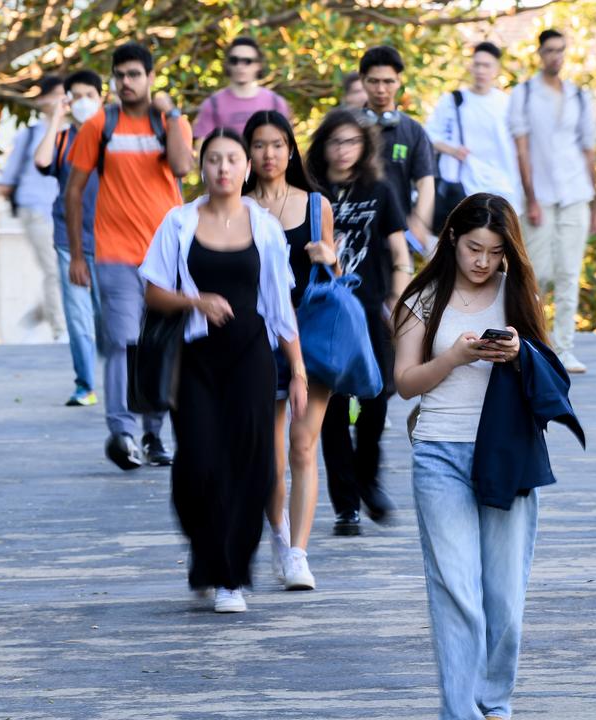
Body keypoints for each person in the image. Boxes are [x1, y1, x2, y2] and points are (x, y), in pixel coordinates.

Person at [392, 193, 554, 720]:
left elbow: (548, 367)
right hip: (440, 452)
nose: (482, 261)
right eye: (473, 248)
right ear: (453, 241)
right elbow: (405, 383)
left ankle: (494, 703)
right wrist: (455, 357)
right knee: (456, 589)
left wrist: (517, 353)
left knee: (504, 594)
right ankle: (460, 712)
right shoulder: (423, 297)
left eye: (494, 251)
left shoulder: (517, 294)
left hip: (506, 453)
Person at [140, 128, 305, 613]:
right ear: (201, 166)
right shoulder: (178, 222)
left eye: (233, 159)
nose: (224, 168)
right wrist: (195, 300)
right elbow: (151, 290)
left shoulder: (265, 226)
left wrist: (296, 369)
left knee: (253, 465)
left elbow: (279, 305)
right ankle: (206, 552)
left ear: (247, 168)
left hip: (251, 357)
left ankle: (230, 575)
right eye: (214, 159)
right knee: (198, 465)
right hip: (196, 361)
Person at [65, 41, 194, 470]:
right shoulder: (98, 125)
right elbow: (75, 190)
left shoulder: (170, 123)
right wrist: (79, 256)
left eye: (135, 74)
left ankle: (154, 436)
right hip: (114, 254)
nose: (126, 82)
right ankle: (121, 432)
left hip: (166, 256)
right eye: (119, 75)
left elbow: (181, 168)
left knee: (158, 345)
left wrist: (172, 114)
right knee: (124, 342)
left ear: (151, 78)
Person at [242, 110, 338, 590]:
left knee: (303, 445)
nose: (269, 155)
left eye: (278, 144)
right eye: (259, 145)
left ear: (292, 150)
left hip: (312, 338)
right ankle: (279, 536)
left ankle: (298, 553)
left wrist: (332, 258)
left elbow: (336, 285)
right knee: (269, 455)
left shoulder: (317, 204)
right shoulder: (237, 207)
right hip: (258, 341)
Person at [306, 109, 413, 537]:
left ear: (364, 145)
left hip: (369, 308)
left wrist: (398, 297)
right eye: (335, 142)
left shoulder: (380, 190)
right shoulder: (310, 192)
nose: (343, 150)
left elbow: (399, 251)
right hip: (323, 310)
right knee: (329, 407)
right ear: (323, 146)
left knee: (376, 399)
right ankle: (346, 505)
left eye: (351, 142)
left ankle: (369, 479)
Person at [508, 28, 596, 374]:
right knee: (538, 274)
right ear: (539, 53)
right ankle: (536, 344)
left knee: (568, 273)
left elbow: (588, 150)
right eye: (549, 50)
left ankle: (565, 348)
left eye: (561, 50)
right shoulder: (524, 94)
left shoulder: (579, 96)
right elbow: (522, 150)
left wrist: (595, 202)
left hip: (576, 192)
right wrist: (530, 197)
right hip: (540, 196)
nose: (556, 56)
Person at [33, 70, 105, 406]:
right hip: (69, 240)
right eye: (75, 96)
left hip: (110, 241)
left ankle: (120, 380)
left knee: (109, 317)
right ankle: (85, 385)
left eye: (90, 95)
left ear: (102, 98)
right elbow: (42, 161)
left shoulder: (111, 137)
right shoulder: (62, 140)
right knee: (78, 318)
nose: (83, 102)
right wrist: (57, 119)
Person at [0, 75, 66, 341]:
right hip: (35, 210)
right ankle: (60, 332)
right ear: (43, 100)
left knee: (66, 272)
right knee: (54, 270)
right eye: (58, 94)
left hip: (65, 213)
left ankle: (38, 315)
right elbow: (6, 181)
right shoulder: (29, 135)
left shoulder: (76, 133)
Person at [357, 45, 436, 252]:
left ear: (399, 81)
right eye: (374, 81)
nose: (381, 89)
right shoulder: (348, 127)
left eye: (388, 81)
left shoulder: (414, 131)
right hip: (354, 234)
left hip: (399, 237)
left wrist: (419, 221)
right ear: (362, 79)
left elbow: (426, 182)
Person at [425, 41, 521, 211]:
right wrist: (452, 150)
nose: (480, 70)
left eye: (486, 65)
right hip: (465, 187)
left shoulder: (507, 103)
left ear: (496, 69)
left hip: (503, 187)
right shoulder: (453, 100)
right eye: (477, 64)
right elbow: (429, 135)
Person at [192, 37, 292, 142]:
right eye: (234, 60)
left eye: (247, 61)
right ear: (227, 64)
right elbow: (202, 147)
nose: (240, 66)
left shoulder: (275, 103)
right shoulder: (213, 104)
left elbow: (286, 145)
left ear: (258, 65)